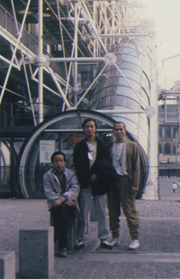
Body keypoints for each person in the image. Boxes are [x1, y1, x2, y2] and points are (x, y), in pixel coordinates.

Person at [73, 118, 112, 250]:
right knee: (83, 212)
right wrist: (89, 176)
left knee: (101, 212)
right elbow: (78, 164)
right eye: (87, 127)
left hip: (99, 183)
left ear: (95, 129)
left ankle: (104, 238)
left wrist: (97, 175)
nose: (89, 129)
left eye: (92, 126)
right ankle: (81, 239)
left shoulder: (102, 145)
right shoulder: (79, 146)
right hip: (85, 182)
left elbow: (106, 163)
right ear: (83, 129)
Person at [107, 122, 140, 249]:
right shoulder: (110, 146)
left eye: (121, 129)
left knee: (129, 210)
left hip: (126, 180)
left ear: (125, 131)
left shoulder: (132, 146)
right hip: (113, 181)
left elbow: (136, 167)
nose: (119, 132)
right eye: (116, 130)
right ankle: (115, 236)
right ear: (113, 132)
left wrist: (135, 184)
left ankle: (135, 238)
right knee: (113, 211)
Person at [43, 151, 80, 258]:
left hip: (69, 204)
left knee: (61, 215)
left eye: (61, 161)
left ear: (64, 162)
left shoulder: (71, 174)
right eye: (56, 161)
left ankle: (53, 241)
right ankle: (62, 247)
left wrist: (63, 199)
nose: (59, 163)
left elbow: (75, 188)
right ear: (52, 163)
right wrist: (61, 200)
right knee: (62, 214)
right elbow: (49, 192)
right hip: (55, 205)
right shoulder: (47, 176)